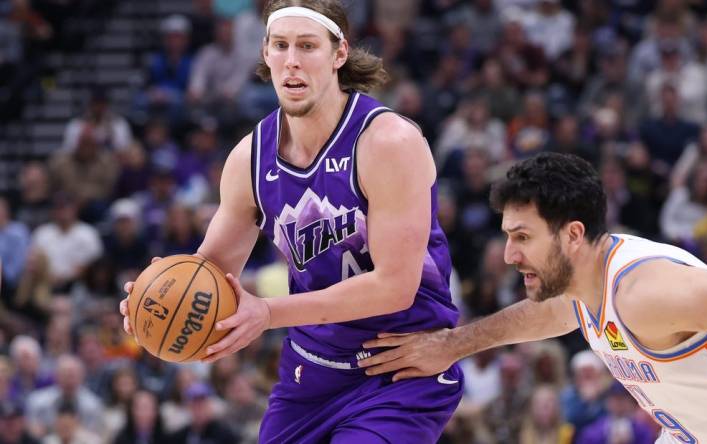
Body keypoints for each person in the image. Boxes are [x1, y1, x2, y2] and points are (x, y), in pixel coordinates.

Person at [119, 1, 462, 442]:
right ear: (264, 53)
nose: (292, 61)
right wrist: (159, 300)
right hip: (310, 373)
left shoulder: (388, 141)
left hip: (401, 367)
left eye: (307, 46)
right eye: (280, 45)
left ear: (340, 54)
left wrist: (267, 312)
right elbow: (212, 272)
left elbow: (395, 286)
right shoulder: (250, 157)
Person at [359, 152, 707, 443]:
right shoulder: (584, 288)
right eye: (508, 237)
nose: (510, 255)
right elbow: (546, 316)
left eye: (522, 237)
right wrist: (451, 346)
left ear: (573, 235)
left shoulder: (649, 293)